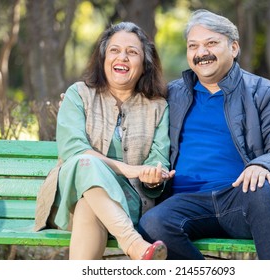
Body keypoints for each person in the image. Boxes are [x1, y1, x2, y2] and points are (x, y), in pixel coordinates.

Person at [138, 9, 270, 260]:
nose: (201, 52)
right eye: (193, 46)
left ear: (234, 48)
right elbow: (126, 112)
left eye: (211, 43)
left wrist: (263, 165)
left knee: (262, 189)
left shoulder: (264, 92)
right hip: (187, 203)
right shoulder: (171, 96)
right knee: (152, 224)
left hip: (243, 200)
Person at [34, 22, 175, 260]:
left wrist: (152, 178)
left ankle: (136, 248)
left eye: (132, 52)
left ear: (144, 65)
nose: (122, 57)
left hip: (127, 202)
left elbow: (157, 161)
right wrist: (131, 169)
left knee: (91, 202)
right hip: (68, 199)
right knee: (85, 164)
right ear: (103, 58)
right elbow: (74, 150)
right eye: (114, 50)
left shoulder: (157, 107)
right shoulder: (78, 94)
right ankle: (134, 245)